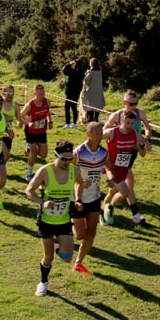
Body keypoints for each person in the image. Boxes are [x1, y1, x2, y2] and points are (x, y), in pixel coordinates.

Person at [25, 140, 84, 296]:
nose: (67, 162)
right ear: (56, 156)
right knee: (48, 257)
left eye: (70, 158)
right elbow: (29, 190)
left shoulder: (74, 170)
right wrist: (42, 202)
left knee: (67, 258)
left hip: (64, 220)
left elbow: (80, 183)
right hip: (46, 221)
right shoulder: (45, 171)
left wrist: (78, 199)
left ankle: (56, 247)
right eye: (64, 159)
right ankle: (43, 282)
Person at [71, 122, 111, 275]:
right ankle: (63, 231)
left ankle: (78, 262)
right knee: (80, 235)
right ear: (88, 134)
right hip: (77, 198)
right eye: (96, 134)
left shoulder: (103, 152)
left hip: (94, 197)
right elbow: (67, 171)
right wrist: (79, 180)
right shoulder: (79, 153)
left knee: (92, 231)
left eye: (101, 134)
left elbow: (108, 167)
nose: (100, 137)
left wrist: (110, 177)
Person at [101, 110, 148, 226]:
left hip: (124, 168)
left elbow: (142, 154)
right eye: (127, 123)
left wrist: (142, 146)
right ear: (121, 121)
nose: (130, 126)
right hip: (111, 168)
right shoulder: (112, 132)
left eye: (132, 123)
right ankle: (107, 210)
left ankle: (106, 209)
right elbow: (95, 139)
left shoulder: (134, 134)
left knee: (112, 192)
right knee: (126, 191)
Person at [20, 84, 53, 180]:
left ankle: (29, 148)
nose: (42, 96)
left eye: (43, 93)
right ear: (34, 93)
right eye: (39, 94)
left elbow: (47, 111)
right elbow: (20, 116)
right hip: (31, 131)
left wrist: (49, 121)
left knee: (44, 155)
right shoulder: (30, 105)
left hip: (42, 131)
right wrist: (28, 122)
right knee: (34, 153)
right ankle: (29, 174)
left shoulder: (47, 102)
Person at [61, 58, 84, 129]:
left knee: (67, 107)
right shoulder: (81, 72)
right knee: (74, 107)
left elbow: (64, 70)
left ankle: (68, 124)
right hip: (76, 92)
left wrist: (69, 64)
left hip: (70, 91)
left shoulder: (73, 71)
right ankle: (74, 124)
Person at [81, 57, 105, 122]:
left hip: (91, 92)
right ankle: (96, 118)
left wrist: (86, 75)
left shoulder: (90, 72)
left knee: (90, 106)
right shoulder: (99, 72)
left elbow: (86, 81)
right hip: (98, 92)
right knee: (97, 105)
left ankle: (90, 118)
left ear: (91, 64)